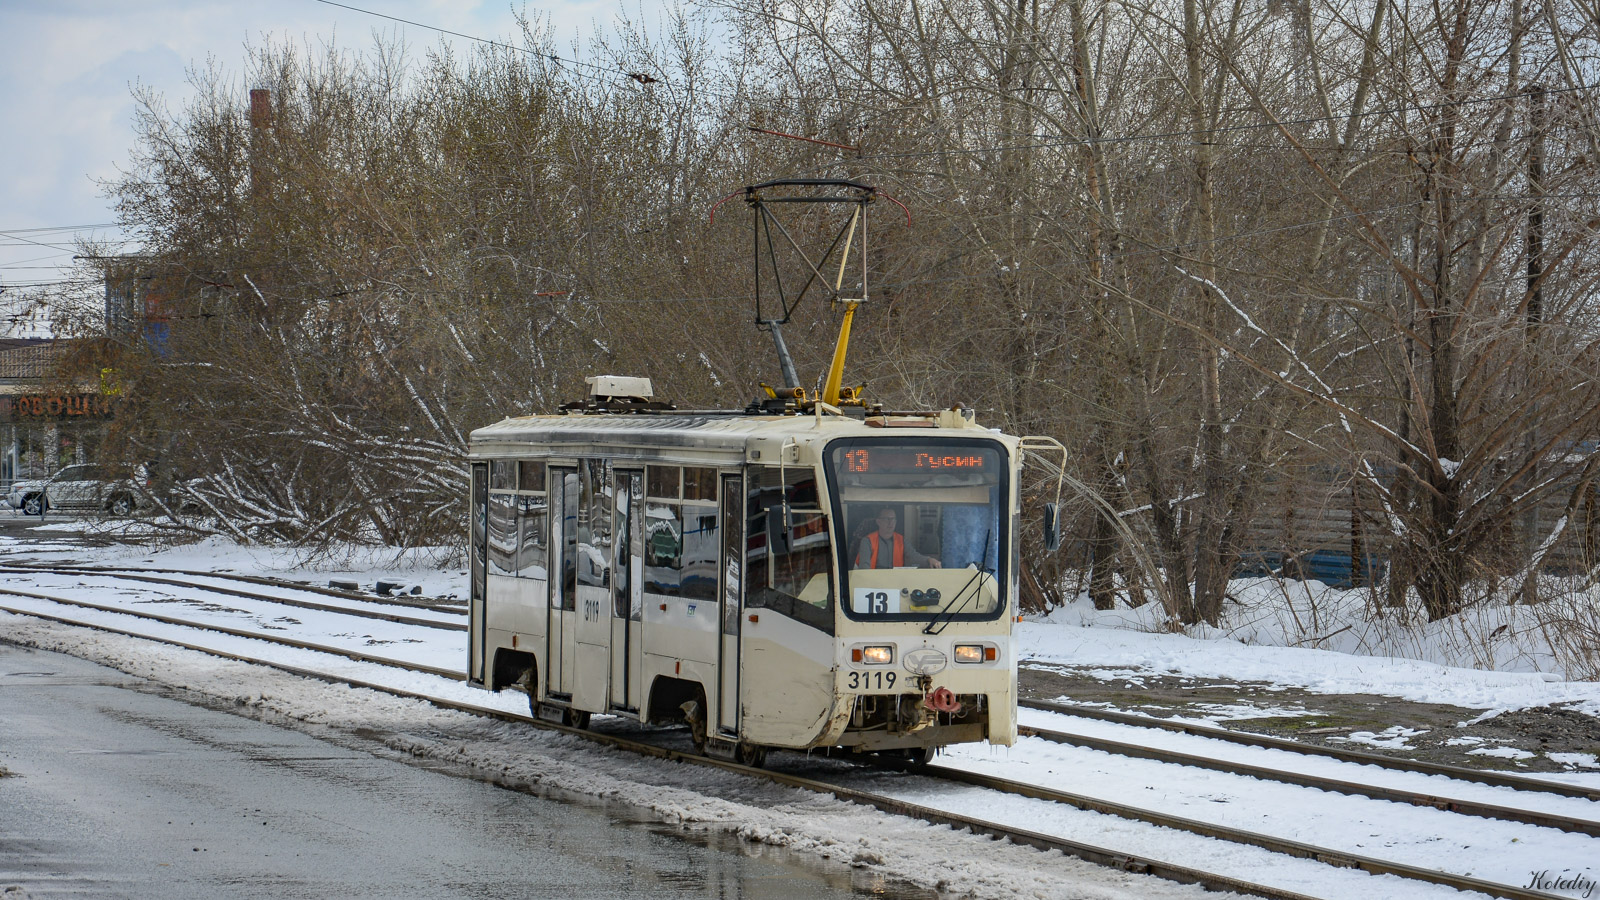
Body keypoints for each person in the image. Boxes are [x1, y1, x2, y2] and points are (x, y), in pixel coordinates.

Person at [853, 507, 942, 569]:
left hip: (895, 582)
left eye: (893, 519)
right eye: (887, 519)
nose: (890, 522)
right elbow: (864, 568)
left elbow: (913, 556)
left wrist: (929, 560)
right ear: (878, 521)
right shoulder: (867, 541)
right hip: (873, 584)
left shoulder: (901, 540)